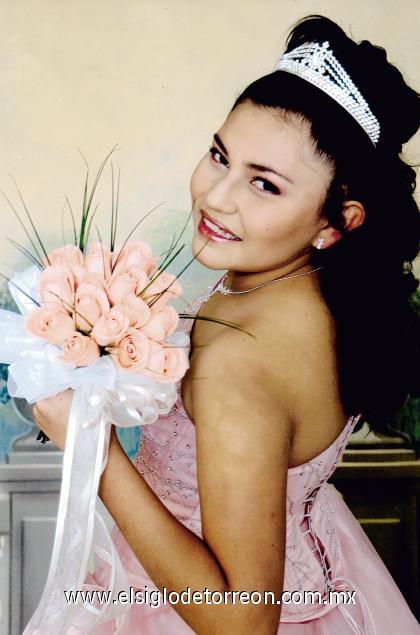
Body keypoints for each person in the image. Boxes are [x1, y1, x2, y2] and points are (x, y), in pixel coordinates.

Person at [30, 14, 420, 635]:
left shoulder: (239, 359)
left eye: (264, 185)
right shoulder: (316, 293)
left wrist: (94, 454)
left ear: (335, 222)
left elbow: (242, 622)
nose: (217, 196)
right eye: (220, 156)